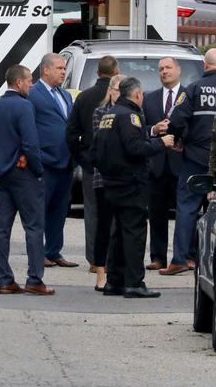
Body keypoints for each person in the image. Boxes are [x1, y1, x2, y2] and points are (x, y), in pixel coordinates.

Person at [93, 76, 175, 298]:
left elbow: (97, 149)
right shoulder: (130, 115)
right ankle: (134, 283)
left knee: (119, 233)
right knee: (134, 233)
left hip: (111, 182)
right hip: (130, 183)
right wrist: (162, 143)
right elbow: (135, 148)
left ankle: (115, 282)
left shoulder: (109, 114)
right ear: (137, 94)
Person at [0, 65, 54, 296]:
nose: (32, 85)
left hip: (3, 175)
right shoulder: (24, 106)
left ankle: (4, 279)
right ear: (18, 82)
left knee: (3, 228)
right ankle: (35, 278)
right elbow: (31, 143)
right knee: (34, 227)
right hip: (24, 176)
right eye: (29, 81)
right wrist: (37, 169)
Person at [162, 47, 216, 275]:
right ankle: (210, 261)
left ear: (205, 66)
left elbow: (177, 118)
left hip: (195, 158)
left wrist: (177, 139)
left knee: (187, 208)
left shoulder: (194, 88)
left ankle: (181, 258)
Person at [65, 55, 119, 271]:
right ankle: (112, 258)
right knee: (115, 213)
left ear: (98, 72)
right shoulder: (120, 97)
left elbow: (70, 134)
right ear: (116, 72)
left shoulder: (84, 97)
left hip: (91, 163)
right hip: (116, 165)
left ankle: (95, 260)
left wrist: (83, 159)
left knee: (92, 212)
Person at [28, 53, 77, 268]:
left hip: (66, 162)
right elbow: (28, 128)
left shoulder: (65, 95)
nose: (63, 72)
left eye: (64, 68)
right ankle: (39, 253)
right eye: (59, 68)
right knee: (41, 210)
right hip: (45, 161)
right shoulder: (33, 94)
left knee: (60, 209)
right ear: (46, 70)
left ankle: (54, 250)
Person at [142, 57, 183, 271]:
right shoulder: (150, 99)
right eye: (161, 69)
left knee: (184, 214)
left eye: (168, 68)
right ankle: (158, 257)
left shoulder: (187, 96)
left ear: (178, 70)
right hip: (156, 165)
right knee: (156, 214)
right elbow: (141, 126)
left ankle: (183, 256)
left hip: (180, 163)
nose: (164, 72)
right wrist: (153, 130)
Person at [90, 73, 125, 291]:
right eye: (118, 90)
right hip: (103, 177)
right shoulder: (100, 112)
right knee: (103, 226)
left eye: (124, 90)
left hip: (124, 179)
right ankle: (100, 272)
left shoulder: (133, 111)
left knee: (122, 228)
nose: (120, 95)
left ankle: (119, 272)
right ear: (110, 90)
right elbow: (101, 142)